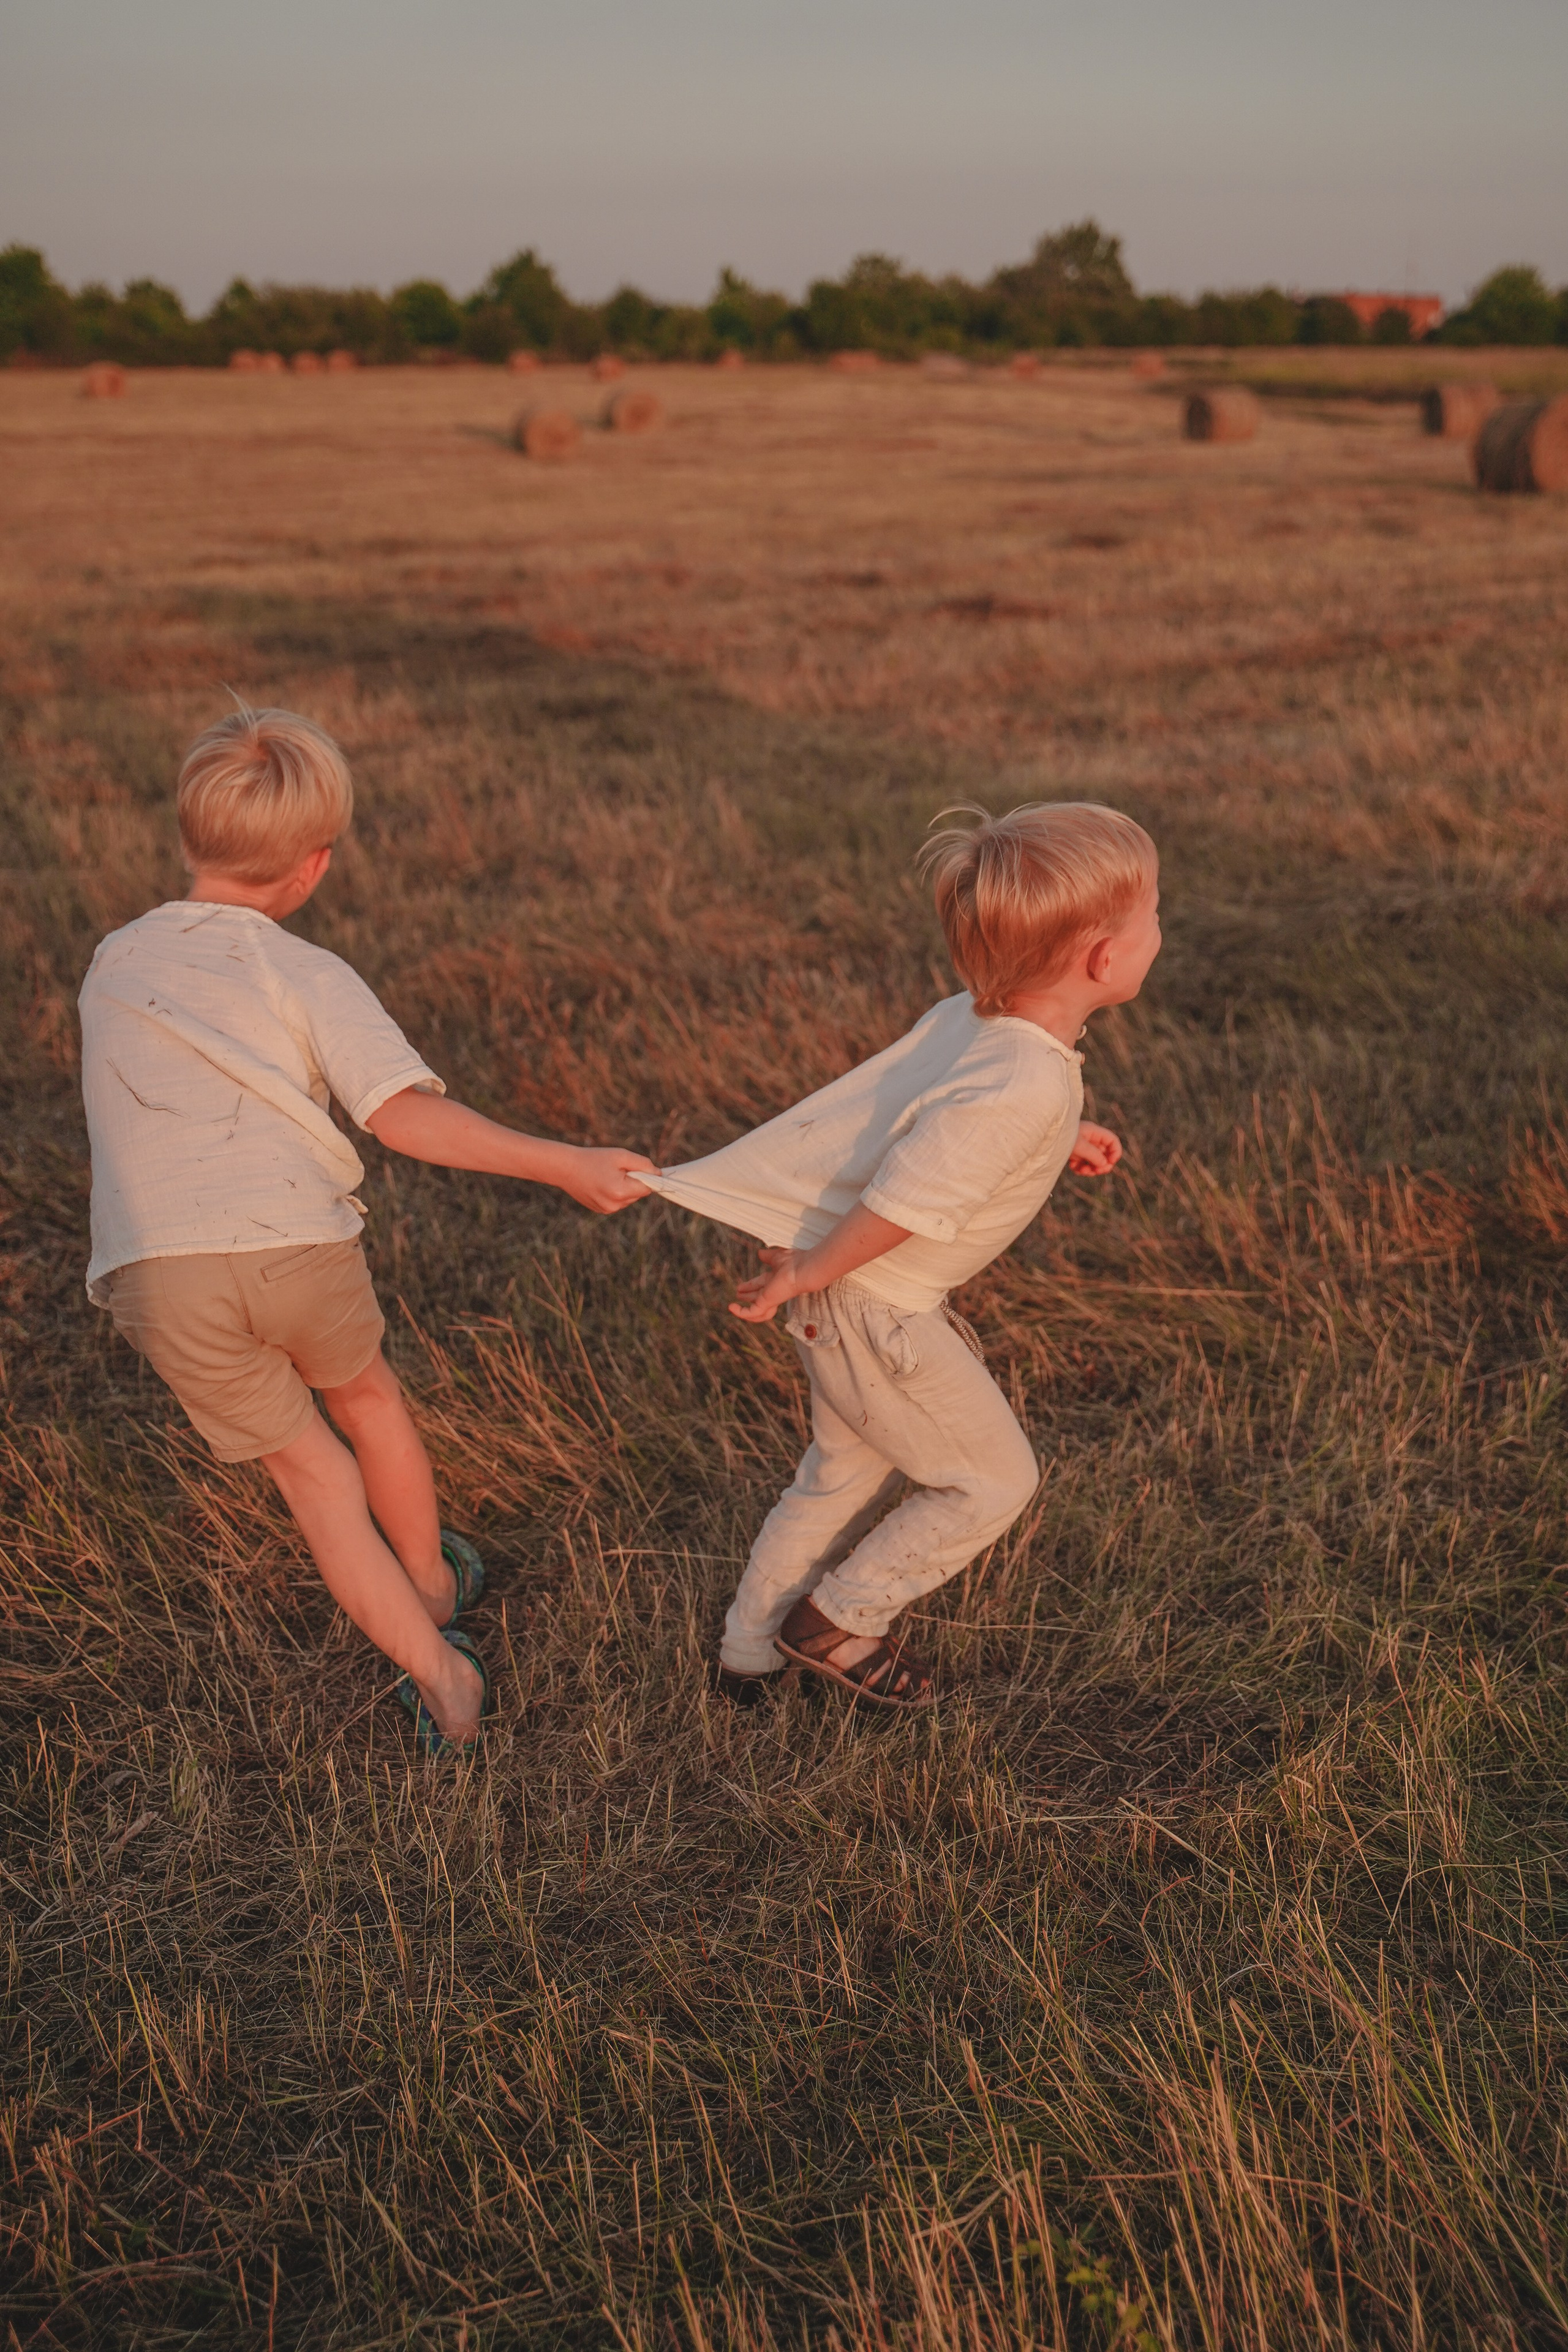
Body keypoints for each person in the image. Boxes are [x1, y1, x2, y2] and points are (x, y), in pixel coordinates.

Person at [79, 706, 652, 1758]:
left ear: (184, 838)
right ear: (314, 866)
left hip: (157, 1273)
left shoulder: (114, 958)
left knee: (313, 1479)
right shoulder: (305, 972)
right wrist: (563, 1162)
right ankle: (432, 1585)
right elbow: (401, 1117)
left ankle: (443, 1685)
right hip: (293, 1244)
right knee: (368, 1400)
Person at [636, 802, 1162, 1709]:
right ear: (1103, 958)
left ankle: (747, 1650)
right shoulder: (1024, 1080)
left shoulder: (978, 1020)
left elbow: (945, 1117)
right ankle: (842, 1620)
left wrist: (1059, 1135)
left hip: (840, 1294)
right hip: (874, 1307)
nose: (1163, 930)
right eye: (1157, 915)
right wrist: (811, 1272)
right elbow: (904, 1196)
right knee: (994, 1480)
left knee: (839, 1474)